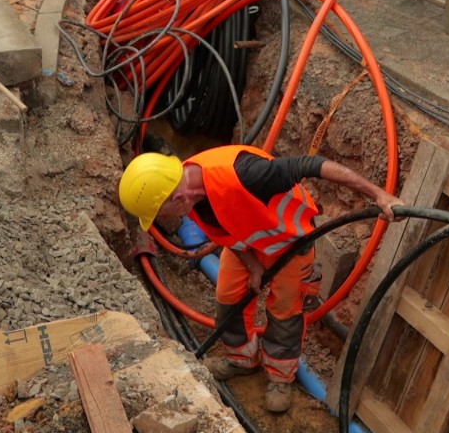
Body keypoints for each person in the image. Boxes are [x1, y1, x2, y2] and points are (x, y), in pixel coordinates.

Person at [118, 144, 404, 413]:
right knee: (228, 296)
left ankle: (280, 376)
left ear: (177, 197)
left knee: (285, 312)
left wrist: (378, 194)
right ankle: (241, 360)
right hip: (248, 242)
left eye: (158, 213)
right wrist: (253, 265)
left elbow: (312, 164)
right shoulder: (191, 193)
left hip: (289, 240)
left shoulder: (248, 175)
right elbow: (227, 228)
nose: (160, 220)